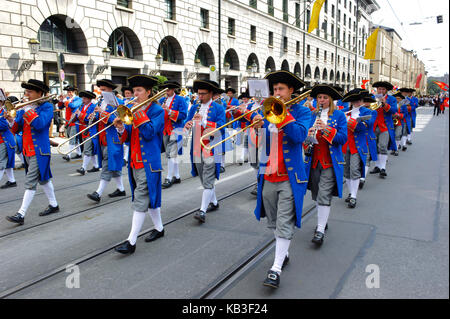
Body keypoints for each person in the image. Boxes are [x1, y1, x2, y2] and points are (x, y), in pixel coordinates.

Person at [247, 70, 311, 289]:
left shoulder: (302, 111)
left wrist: (283, 115)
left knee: (284, 223)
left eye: (280, 89)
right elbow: (260, 145)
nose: (277, 93)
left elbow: (299, 136)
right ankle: (283, 253)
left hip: (289, 177)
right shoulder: (267, 112)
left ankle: (275, 269)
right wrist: (257, 129)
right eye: (274, 90)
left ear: (291, 91)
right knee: (274, 222)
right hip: (268, 174)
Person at [114, 75, 165, 254]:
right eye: (134, 91)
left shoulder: (158, 110)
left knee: (141, 198)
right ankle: (159, 228)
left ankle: (131, 241)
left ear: (148, 92)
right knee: (148, 197)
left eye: (139, 91)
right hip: (134, 161)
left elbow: (150, 132)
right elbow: (127, 137)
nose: (134, 94)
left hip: (149, 162)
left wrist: (138, 113)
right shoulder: (133, 110)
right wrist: (120, 127)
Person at [5, 80, 60, 225]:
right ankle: (54, 205)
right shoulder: (25, 108)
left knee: (30, 181)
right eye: (26, 92)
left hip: (40, 150)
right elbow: (17, 129)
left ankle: (21, 214)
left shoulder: (47, 107)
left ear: (39, 93)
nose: (26, 95)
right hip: (27, 150)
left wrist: (29, 111)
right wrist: (11, 120)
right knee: (44, 179)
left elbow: (40, 125)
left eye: (29, 92)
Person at [304, 84, 347, 245]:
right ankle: (323, 219)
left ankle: (320, 229)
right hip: (313, 160)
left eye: (324, 98)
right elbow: (305, 139)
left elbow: (342, 139)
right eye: (319, 97)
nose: (321, 100)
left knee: (324, 195)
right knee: (316, 193)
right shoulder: (311, 114)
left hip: (330, 161)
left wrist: (327, 129)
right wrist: (308, 134)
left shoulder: (339, 115)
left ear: (330, 100)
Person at [184, 80, 226, 224]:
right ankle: (214, 202)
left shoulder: (219, 108)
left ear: (211, 94)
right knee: (203, 178)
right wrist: (187, 125)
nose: (199, 97)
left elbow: (221, 128)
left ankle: (202, 210)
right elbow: (187, 124)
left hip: (211, 147)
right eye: (198, 94)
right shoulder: (194, 107)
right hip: (196, 146)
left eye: (203, 94)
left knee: (208, 178)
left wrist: (203, 123)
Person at [86, 79, 125, 203]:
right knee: (113, 165)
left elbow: (118, 120)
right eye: (100, 90)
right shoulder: (101, 101)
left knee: (107, 165)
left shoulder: (118, 102)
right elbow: (100, 118)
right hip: (102, 138)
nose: (101, 92)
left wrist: (102, 113)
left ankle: (98, 192)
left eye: (103, 90)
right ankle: (121, 189)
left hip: (113, 138)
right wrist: (93, 116)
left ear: (110, 89)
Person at [340, 89, 372, 208]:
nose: (357, 103)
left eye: (359, 100)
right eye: (354, 100)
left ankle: (354, 196)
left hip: (358, 146)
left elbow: (367, 126)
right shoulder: (345, 111)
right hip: (345, 145)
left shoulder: (367, 112)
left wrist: (351, 122)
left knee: (354, 170)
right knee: (346, 171)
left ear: (362, 100)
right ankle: (350, 192)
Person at [159, 80, 188, 189]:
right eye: (165, 89)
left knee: (171, 154)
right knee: (171, 154)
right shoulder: (162, 100)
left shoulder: (180, 99)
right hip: (165, 130)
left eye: (169, 89)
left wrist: (170, 111)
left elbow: (184, 115)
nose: (167, 91)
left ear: (173, 89)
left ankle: (169, 177)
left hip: (176, 129)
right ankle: (177, 176)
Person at [369, 81, 397, 178]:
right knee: (375, 146)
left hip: (385, 126)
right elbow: (368, 110)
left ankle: (383, 168)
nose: (381, 91)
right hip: (373, 126)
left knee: (383, 146)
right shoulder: (372, 98)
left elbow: (394, 111)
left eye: (383, 89)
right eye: (379, 89)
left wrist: (384, 104)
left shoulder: (392, 99)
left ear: (386, 90)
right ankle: (377, 166)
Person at [74, 90, 99, 175]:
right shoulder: (82, 106)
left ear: (89, 99)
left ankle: (83, 168)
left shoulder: (93, 107)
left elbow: (89, 119)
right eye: (82, 98)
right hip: (82, 130)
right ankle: (96, 166)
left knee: (87, 149)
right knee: (90, 150)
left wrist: (80, 114)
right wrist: (76, 115)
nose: (82, 100)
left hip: (90, 130)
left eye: (84, 98)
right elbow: (80, 118)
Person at [359, 92, 378, 189]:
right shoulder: (356, 110)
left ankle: (362, 178)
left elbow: (370, 124)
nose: (364, 103)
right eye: (363, 101)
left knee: (366, 158)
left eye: (367, 101)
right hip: (357, 138)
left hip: (367, 137)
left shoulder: (373, 112)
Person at [58, 86, 82, 161]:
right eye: (68, 92)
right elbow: (60, 107)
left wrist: (65, 101)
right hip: (68, 121)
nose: (69, 93)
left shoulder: (78, 99)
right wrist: (60, 100)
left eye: (71, 92)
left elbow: (73, 105)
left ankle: (68, 155)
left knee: (72, 137)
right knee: (74, 138)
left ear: (74, 92)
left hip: (75, 121)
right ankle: (79, 153)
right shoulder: (67, 99)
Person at [0, 93, 17, 188]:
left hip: (5, 141)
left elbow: (3, 126)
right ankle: (12, 180)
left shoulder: (4, 112)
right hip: (3, 140)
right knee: (7, 162)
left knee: (1, 163)